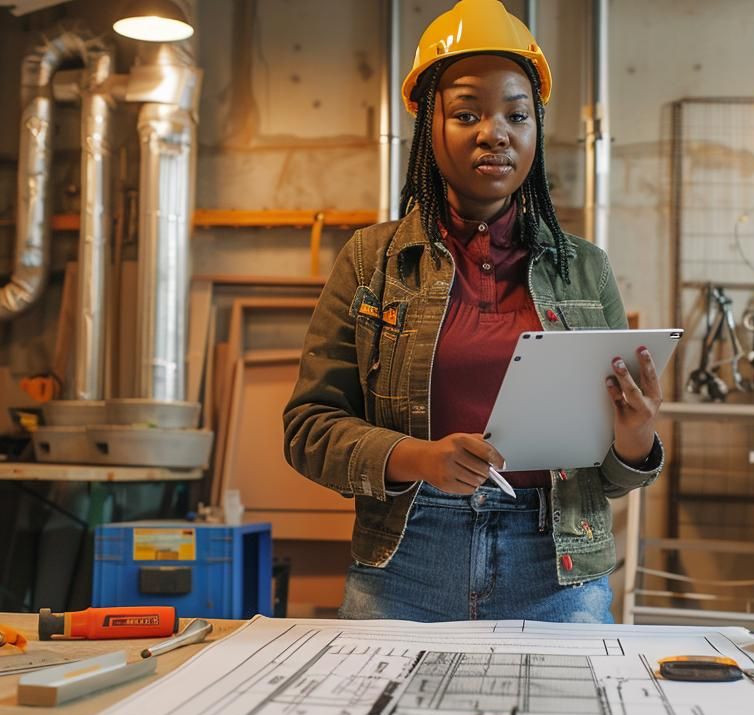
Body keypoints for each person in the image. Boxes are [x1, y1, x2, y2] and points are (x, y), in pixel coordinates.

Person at [283, 0, 663, 623]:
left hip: (556, 568)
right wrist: (419, 458)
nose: (496, 132)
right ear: (428, 125)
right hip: (407, 559)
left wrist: (635, 439)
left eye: (517, 114)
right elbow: (308, 430)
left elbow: (612, 477)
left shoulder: (586, 269)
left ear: (536, 129)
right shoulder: (372, 261)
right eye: (467, 113)